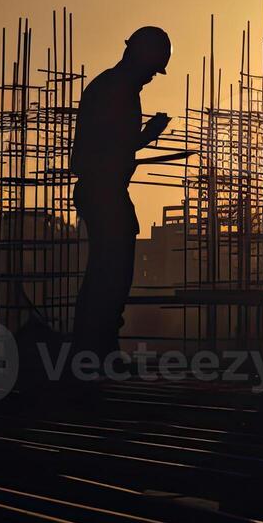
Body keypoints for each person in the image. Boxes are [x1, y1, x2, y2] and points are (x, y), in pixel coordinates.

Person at [70, 27, 172, 358]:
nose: (152, 78)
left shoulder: (115, 86)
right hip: (103, 189)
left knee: (109, 269)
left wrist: (143, 136)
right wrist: (149, 134)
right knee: (110, 270)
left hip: (105, 189)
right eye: (152, 69)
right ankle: (95, 347)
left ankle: (97, 345)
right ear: (138, 57)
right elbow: (113, 146)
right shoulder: (116, 89)